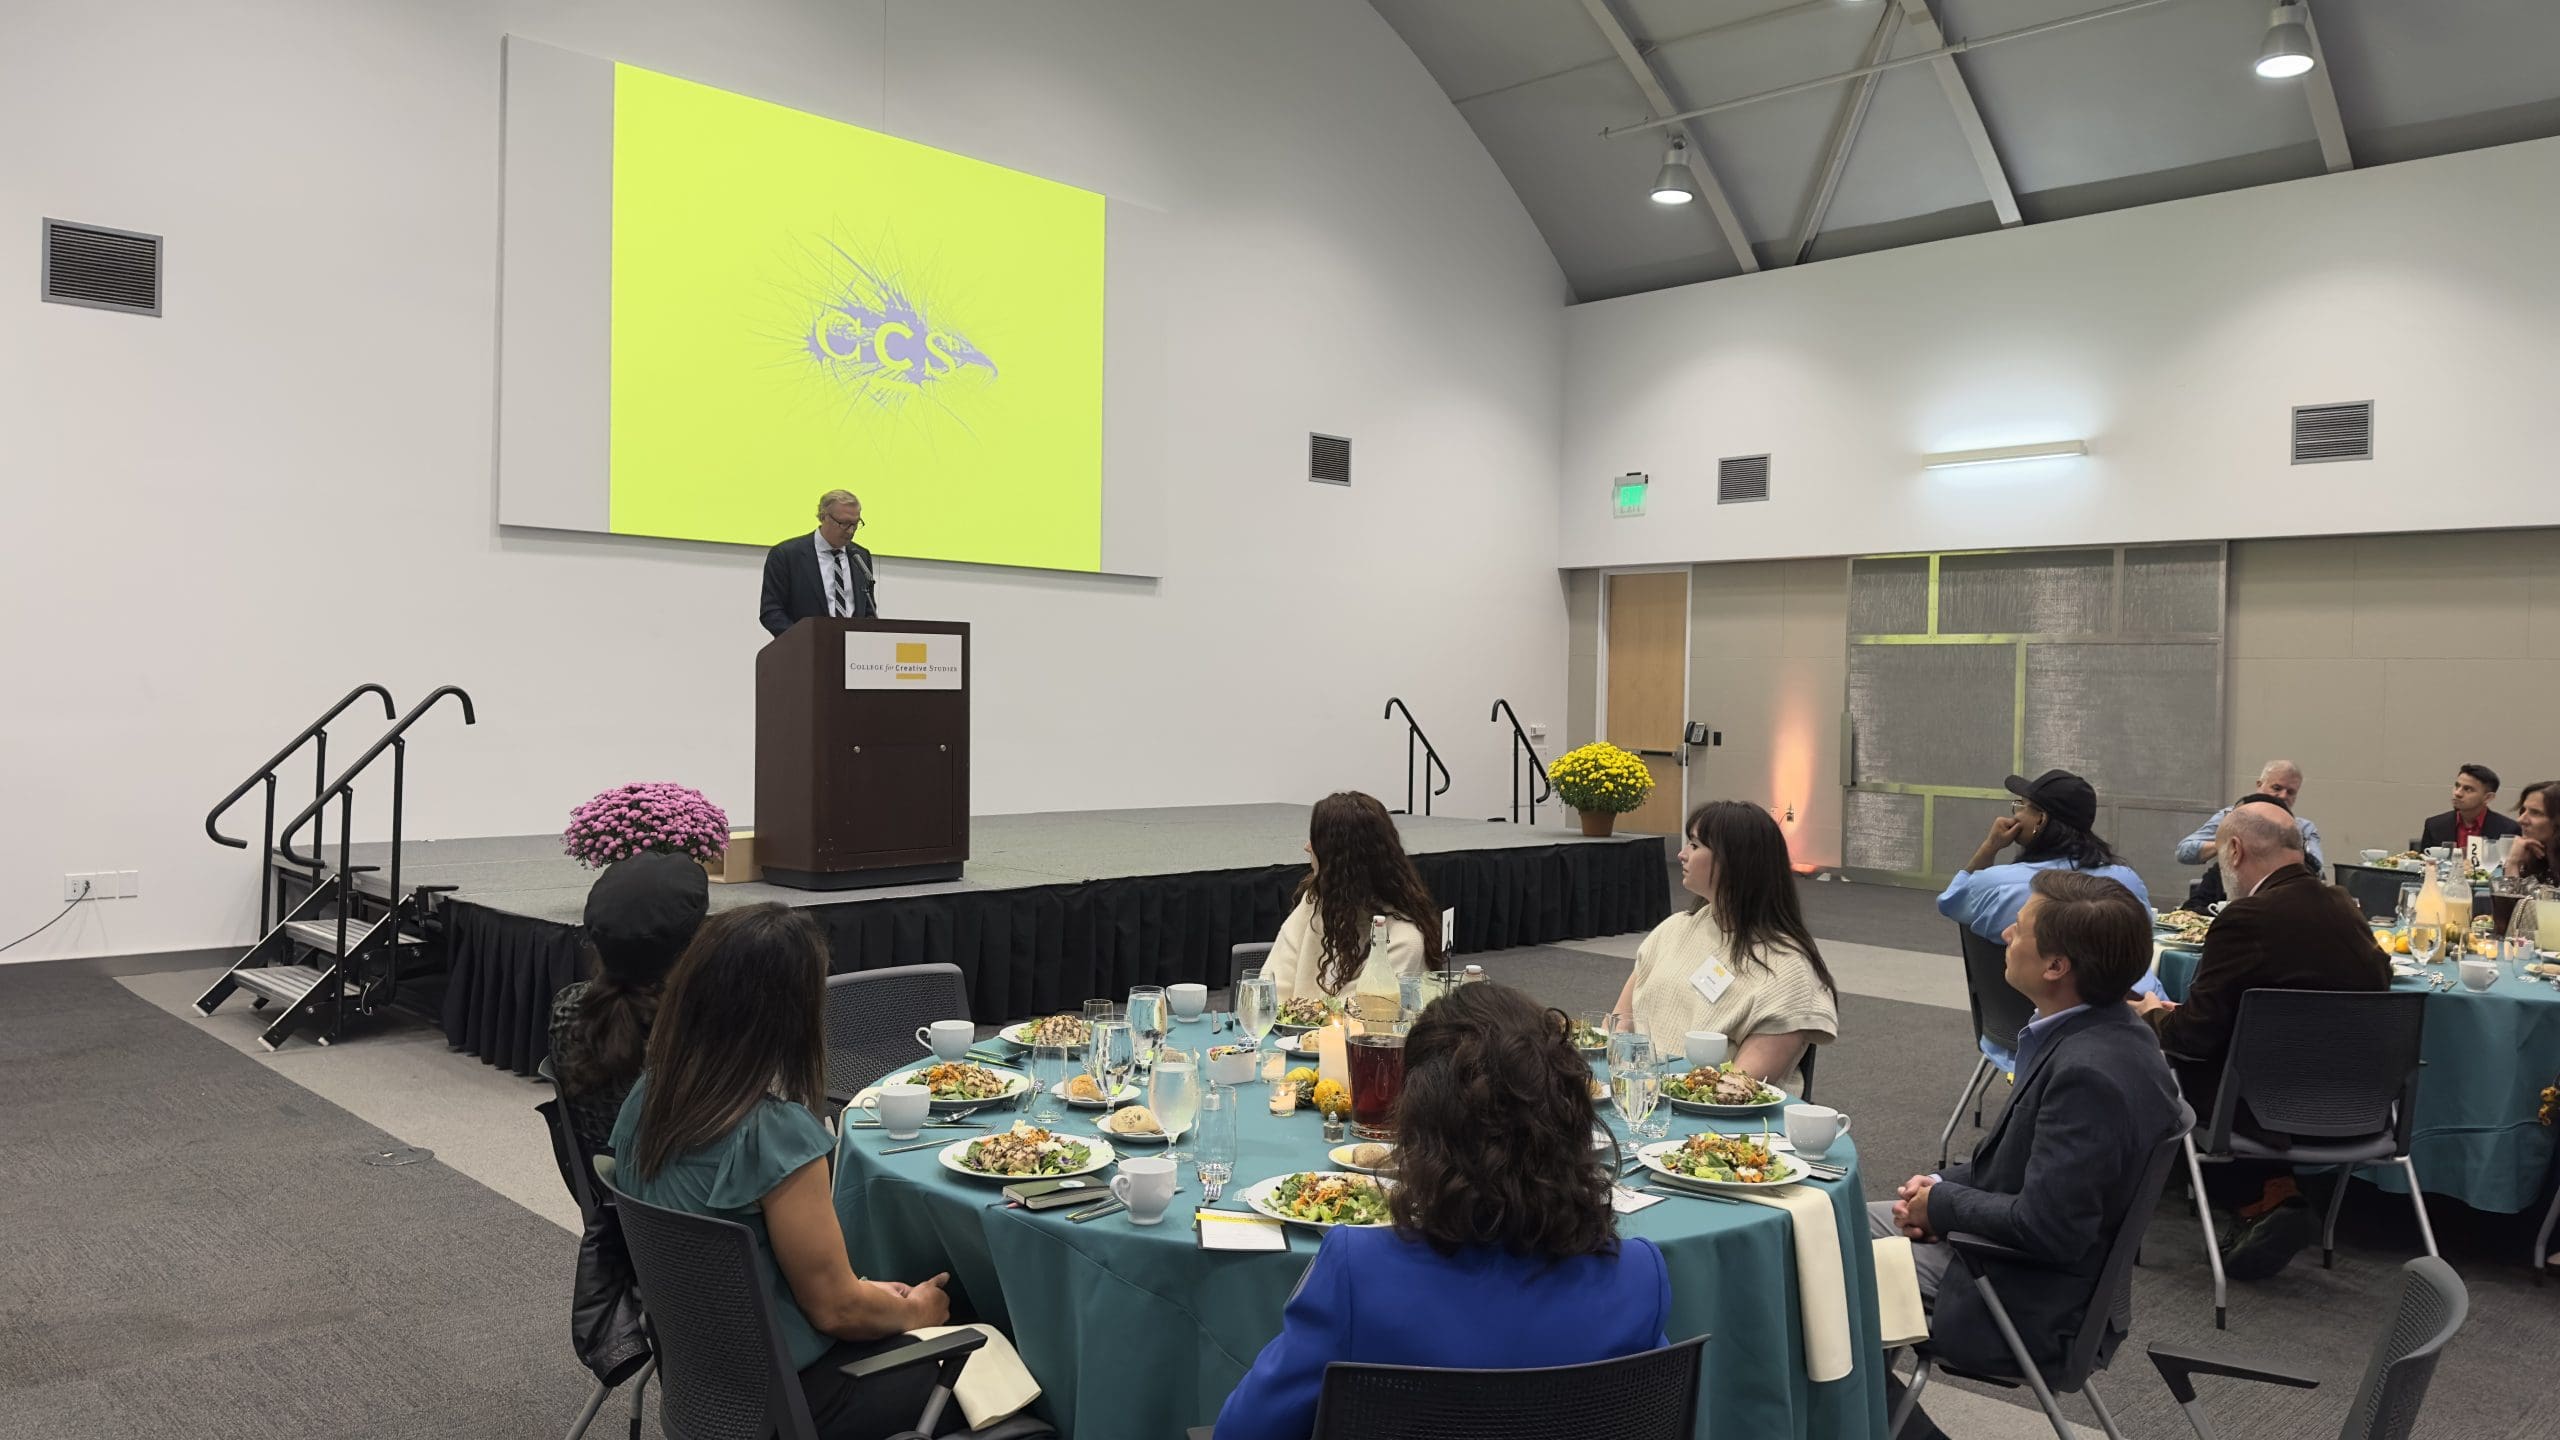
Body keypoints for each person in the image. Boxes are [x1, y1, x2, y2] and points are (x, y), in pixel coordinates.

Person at [1214, 983, 1671, 1440]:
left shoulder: (1359, 1273)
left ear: (1419, 1128)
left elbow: (1242, 1431)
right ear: (1572, 1123)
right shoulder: (1638, 1280)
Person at [611, 904, 970, 1439]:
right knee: (1016, 1370)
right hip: (804, 1400)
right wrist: (914, 1312)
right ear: (794, 1014)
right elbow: (838, 1310)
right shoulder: (773, 1135)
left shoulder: (646, 1099)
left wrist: (872, 1296)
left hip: (711, 1389)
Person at [1873, 871, 2182, 1435]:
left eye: (2023, 926)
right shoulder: (2109, 1034)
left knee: (1819, 1276)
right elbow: (2028, 1171)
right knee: (1831, 1222)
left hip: (2020, 1295)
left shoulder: (2089, 1072)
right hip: (2018, 1261)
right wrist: (1940, 1190)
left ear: (2057, 967)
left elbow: (2051, 1227)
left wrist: (1943, 1207)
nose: (2007, 932)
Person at [2133, 802, 2389, 1280]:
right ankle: (2273, 1194)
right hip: (2360, 1105)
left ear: (2233, 850)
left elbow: (2194, 1035)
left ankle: (2250, 1199)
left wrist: (2152, 1015)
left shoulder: (2245, 917)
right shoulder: (2345, 906)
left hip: (2267, 1109)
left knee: (2155, 1056)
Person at [1606, 800, 1837, 1092]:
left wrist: (1654, 1094)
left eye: (1694, 845)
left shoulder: (1787, 968)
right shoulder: (1674, 929)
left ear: (1734, 861)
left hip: (1713, 1123)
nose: (1681, 854)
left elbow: (1735, 1089)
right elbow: (1618, 1026)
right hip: (1638, 1095)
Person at [548, 853, 709, 1158]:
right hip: (682, 1194)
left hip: (606, 1184)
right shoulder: (695, 1026)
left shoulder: (567, 1006)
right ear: (694, 945)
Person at [1263, 791, 1446, 1005]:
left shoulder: (1404, 938)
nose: (1307, 847)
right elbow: (1270, 986)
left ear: (1340, 858)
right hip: (1291, 1036)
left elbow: (1358, 1017)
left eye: (1317, 840)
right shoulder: (1316, 901)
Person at [1939, 768, 2154, 940]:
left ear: (2040, 820)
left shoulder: (1997, 886)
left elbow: (1951, 902)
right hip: (2124, 994)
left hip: (2026, 995)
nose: (2017, 815)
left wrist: (1990, 846)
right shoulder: (2128, 883)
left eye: (2022, 807)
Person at [2175, 760, 2325, 875]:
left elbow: (2316, 867)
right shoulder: (2231, 816)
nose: (2283, 796)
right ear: (2259, 785)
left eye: (2291, 792)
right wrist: (2227, 843)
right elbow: (2184, 852)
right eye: (2277, 788)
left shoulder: (2303, 828)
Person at [760, 489, 877, 636]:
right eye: (844, 523)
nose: (850, 531)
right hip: (805, 651)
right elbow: (771, 612)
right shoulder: (786, 555)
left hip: (853, 653)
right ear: (823, 517)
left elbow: (868, 610)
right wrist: (803, 640)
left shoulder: (860, 556)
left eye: (855, 524)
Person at [2418, 763, 2518, 851]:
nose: (2457, 793)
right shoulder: (2434, 825)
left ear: (2488, 797)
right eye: (2457, 786)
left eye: (2468, 789)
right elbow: (2425, 867)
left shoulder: (2508, 830)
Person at [2510, 781, 2559, 885]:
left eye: (2535, 813)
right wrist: (2514, 862)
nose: (2520, 820)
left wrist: (2512, 864)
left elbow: (2513, 901)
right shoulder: (2536, 853)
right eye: (2523, 810)